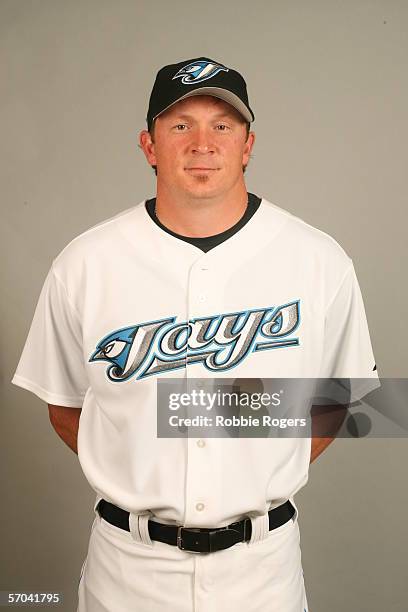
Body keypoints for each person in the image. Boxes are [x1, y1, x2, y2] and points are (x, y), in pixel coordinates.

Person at [11, 57, 379, 612]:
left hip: (263, 574)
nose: (202, 143)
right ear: (148, 145)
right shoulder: (85, 262)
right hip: (127, 572)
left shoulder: (318, 259)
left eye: (222, 125)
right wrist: (137, 460)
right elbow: (65, 407)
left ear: (248, 144)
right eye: (180, 125)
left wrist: (257, 472)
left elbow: (338, 399)